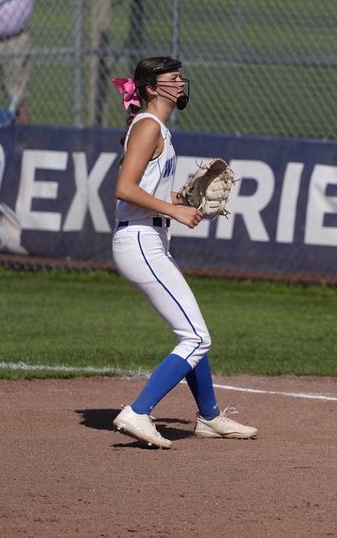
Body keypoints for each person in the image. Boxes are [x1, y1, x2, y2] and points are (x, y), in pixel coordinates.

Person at [110, 56, 258, 449]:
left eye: (179, 78)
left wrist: (181, 197)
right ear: (152, 88)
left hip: (150, 239)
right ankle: (138, 412)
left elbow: (147, 191)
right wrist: (174, 209)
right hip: (140, 241)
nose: (180, 83)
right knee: (196, 337)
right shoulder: (146, 126)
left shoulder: (156, 128)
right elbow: (123, 188)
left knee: (191, 330)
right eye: (172, 79)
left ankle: (209, 418)